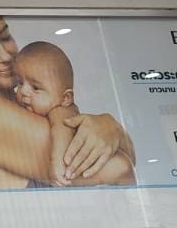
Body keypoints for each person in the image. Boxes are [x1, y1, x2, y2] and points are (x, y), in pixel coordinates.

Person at [0, 16, 135, 189]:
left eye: (5, 37)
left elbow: (131, 161)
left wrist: (108, 126)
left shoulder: (26, 102)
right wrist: (110, 133)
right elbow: (120, 167)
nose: (5, 56)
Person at [13, 41, 134, 187]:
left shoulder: (63, 112)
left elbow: (61, 126)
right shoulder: (26, 110)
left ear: (65, 98)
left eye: (36, 88)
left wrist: (58, 162)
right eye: (19, 83)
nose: (23, 91)